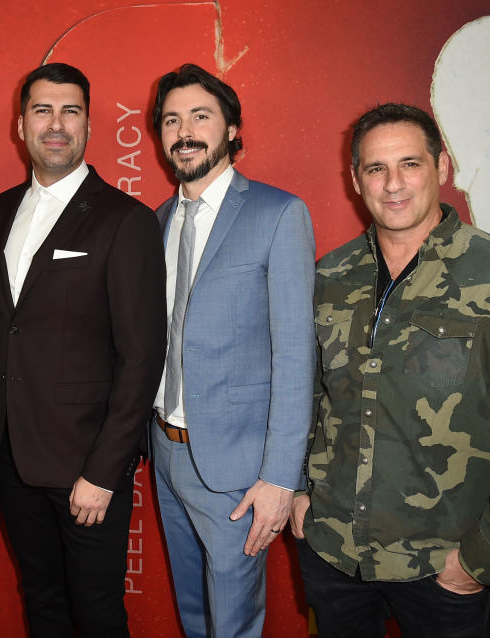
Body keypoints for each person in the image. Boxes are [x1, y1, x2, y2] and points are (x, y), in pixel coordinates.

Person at [291, 103, 490, 638]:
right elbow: (308, 395)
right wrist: (299, 492)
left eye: (410, 164)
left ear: (443, 168)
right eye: (375, 168)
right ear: (355, 178)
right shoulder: (329, 276)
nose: (393, 184)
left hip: (441, 563)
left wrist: (482, 557)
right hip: (334, 549)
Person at [0, 62, 166, 637]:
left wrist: (104, 472)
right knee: (41, 601)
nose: (56, 124)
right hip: (11, 457)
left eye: (70, 111)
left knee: (96, 615)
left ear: (89, 124)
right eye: (42, 110)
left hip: (84, 469)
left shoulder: (126, 220)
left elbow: (142, 356)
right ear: (21, 125)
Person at [149, 63, 316, 637]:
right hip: (165, 453)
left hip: (239, 471)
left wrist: (279, 478)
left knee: (235, 623)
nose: (185, 130)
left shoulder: (278, 214)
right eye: (172, 119)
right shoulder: (159, 221)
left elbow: (296, 358)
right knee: (194, 612)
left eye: (201, 116)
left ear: (232, 128)